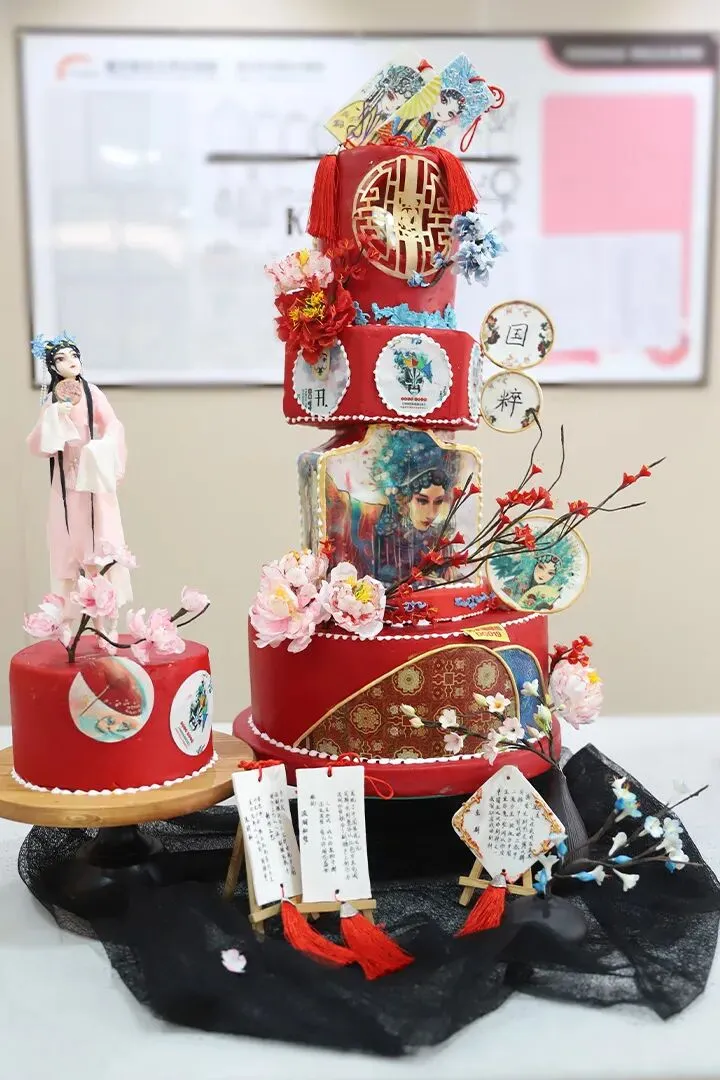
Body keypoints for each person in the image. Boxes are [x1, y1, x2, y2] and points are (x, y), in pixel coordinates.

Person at [27, 334, 132, 606]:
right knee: (69, 540)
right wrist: (55, 417)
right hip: (66, 482)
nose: (71, 361)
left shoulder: (92, 393)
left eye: (74, 355)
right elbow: (37, 445)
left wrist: (102, 447)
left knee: (99, 541)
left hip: (92, 475)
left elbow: (113, 426)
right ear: (53, 367)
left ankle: (103, 614)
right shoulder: (52, 401)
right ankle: (70, 615)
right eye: (61, 358)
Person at [325, 431, 463, 587]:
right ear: (404, 498)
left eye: (438, 502)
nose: (431, 514)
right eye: (422, 501)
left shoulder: (437, 540)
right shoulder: (372, 529)